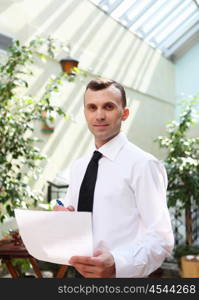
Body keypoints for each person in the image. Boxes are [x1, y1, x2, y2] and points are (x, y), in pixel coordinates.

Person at [54, 78, 174, 278]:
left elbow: (161, 239)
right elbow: (73, 214)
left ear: (124, 113)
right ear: (85, 113)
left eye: (108, 107)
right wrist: (63, 216)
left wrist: (118, 263)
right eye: (92, 107)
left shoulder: (144, 165)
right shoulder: (78, 166)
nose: (99, 115)